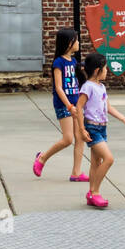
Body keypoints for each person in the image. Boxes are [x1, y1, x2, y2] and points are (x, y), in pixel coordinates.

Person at [74, 51, 125, 208]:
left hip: (102, 128)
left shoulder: (101, 87)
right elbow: (78, 107)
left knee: (96, 161)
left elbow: (108, 107)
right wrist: (82, 130)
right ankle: (95, 192)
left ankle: (91, 193)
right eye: (106, 68)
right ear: (97, 71)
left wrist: (123, 118)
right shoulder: (88, 87)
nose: (107, 71)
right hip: (92, 128)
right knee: (109, 159)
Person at [33, 28, 88, 182]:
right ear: (69, 43)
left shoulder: (74, 61)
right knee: (68, 139)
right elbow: (58, 87)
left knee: (80, 137)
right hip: (64, 104)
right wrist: (69, 106)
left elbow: (78, 82)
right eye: (76, 40)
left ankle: (76, 173)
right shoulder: (59, 62)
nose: (78, 43)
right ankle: (42, 158)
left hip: (76, 104)